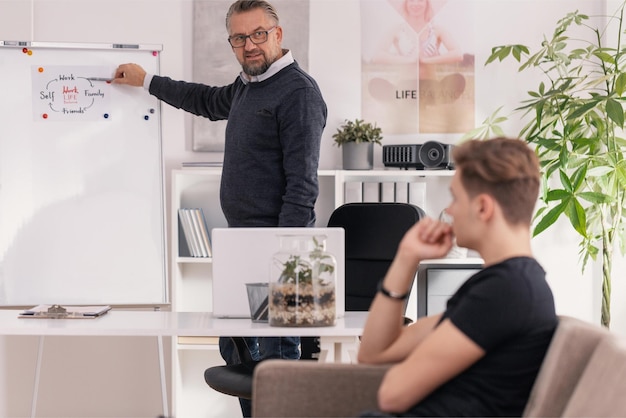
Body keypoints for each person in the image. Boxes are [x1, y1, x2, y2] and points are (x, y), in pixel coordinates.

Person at [112, 1, 327, 416]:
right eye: (240, 38)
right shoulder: (249, 85)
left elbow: (302, 188)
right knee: (242, 360)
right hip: (240, 251)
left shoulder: (298, 92)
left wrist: (285, 267)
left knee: (276, 371)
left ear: (278, 35)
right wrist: (148, 81)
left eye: (259, 34)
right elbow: (207, 101)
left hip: (279, 257)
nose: (250, 45)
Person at [357, 137, 557, 417]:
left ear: (483, 208)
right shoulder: (508, 284)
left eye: (455, 198)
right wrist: (406, 257)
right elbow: (373, 354)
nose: (449, 211)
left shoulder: (506, 292)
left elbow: (392, 395)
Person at [369, 0, 466, 106]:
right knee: (374, 84)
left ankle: (423, 103)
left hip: (430, 87)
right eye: (411, 1)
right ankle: (406, 102)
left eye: (420, 0)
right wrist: (409, 60)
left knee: (458, 80)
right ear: (406, 4)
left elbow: (458, 54)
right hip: (406, 88)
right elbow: (377, 55)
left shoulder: (436, 30)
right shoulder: (396, 30)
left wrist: (426, 60)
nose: (415, 4)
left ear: (426, 3)